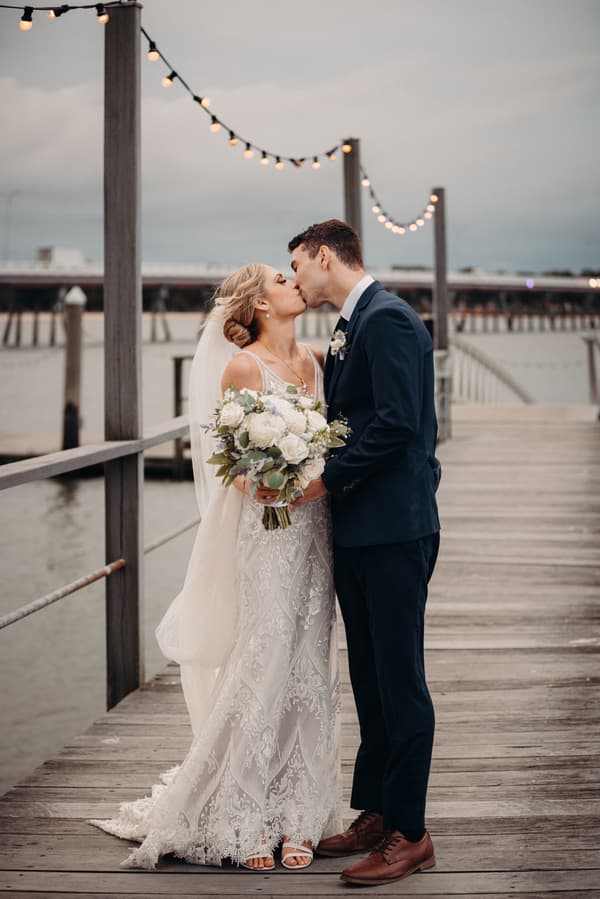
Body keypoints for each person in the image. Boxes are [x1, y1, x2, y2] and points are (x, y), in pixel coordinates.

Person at [88, 263, 341, 871]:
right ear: (257, 304)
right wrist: (270, 476)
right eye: (282, 279)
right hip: (268, 531)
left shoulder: (312, 360)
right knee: (264, 655)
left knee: (311, 660)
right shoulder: (242, 367)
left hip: (314, 529)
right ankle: (246, 812)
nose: (294, 283)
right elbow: (237, 458)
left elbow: (331, 440)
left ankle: (302, 813)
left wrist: (310, 471)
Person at [289, 219, 441, 887]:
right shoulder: (351, 324)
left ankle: (412, 832)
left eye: (298, 264)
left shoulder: (390, 319)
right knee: (371, 679)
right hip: (359, 528)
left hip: (394, 529)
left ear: (326, 256)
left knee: (400, 679)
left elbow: (399, 423)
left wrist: (326, 476)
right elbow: (355, 415)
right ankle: (377, 809)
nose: (294, 278)